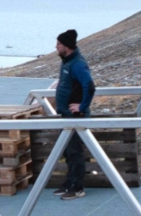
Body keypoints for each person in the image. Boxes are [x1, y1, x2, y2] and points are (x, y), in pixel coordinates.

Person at [53, 29, 95, 201]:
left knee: (75, 152)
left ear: (67, 46)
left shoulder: (77, 64)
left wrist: (82, 106)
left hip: (75, 117)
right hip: (65, 115)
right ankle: (69, 182)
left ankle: (78, 188)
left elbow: (89, 86)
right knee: (68, 151)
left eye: (59, 44)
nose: (56, 47)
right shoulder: (67, 62)